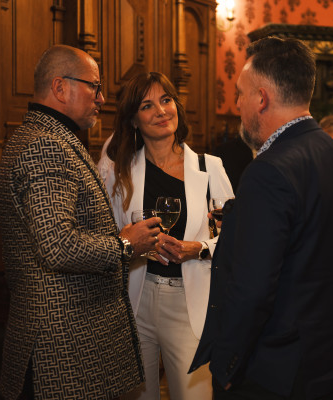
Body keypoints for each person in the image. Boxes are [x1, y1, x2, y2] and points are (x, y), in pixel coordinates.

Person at [190, 37, 333, 399]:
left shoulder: (268, 171)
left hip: (274, 372)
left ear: (261, 98)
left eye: (240, 94)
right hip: (332, 361)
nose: (237, 104)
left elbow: (252, 288)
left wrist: (227, 365)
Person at [0, 45, 163, 400]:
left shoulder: (49, 138)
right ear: (60, 87)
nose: (101, 98)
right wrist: (125, 244)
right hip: (61, 345)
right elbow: (57, 246)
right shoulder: (45, 146)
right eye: (94, 87)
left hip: (69, 339)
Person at [98, 71, 234, 400]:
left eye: (166, 100)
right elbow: (106, 238)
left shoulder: (209, 168)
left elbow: (236, 238)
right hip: (135, 301)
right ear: (133, 120)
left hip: (189, 303)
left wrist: (198, 248)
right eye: (147, 105)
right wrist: (130, 241)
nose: (161, 111)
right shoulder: (118, 172)